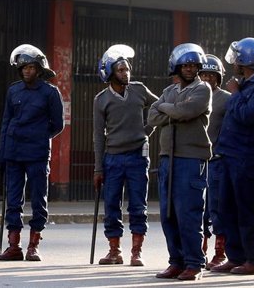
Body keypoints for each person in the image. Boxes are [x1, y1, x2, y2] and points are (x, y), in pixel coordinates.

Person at [211, 37, 254, 275]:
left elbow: (247, 116)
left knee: (248, 209)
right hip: (228, 155)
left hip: (246, 156)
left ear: (245, 60)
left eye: (237, 58)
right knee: (227, 209)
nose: (233, 63)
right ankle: (236, 256)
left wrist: (235, 94)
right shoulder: (244, 84)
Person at [148, 43, 212, 281]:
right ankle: (176, 261)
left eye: (194, 65)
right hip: (168, 159)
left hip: (191, 159)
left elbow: (187, 112)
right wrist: (172, 110)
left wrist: (166, 109)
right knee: (168, 214)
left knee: (189, 213)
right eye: (185, 65)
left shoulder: (202, 89)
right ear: (177, 66)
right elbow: (151, 116)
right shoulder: (170, 91)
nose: (190, 69)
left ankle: (194, 263)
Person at [0, 44, 65, 262]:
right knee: (13, 201)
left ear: (39, 68)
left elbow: (58, 124)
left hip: (37, 153)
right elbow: (6, 123)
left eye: (31, 67)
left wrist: (39, 135)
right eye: (23, 67)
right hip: (13, 153)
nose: (26, 71)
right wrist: (2, 153)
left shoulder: (50, 93)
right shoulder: (13, 90)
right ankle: (13, 245)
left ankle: (33, 245)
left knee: (38, 200)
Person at [93, 44, 158, 267]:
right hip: (111, 159)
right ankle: (114, 250)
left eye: (127, 69)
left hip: (138, 156)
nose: (126, 73)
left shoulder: (139, 89)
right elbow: (98, 136)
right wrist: (98, 169)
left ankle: (136, 252)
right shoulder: (101, 99)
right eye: (121, 70)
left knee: (138, 205)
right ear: (110, 73)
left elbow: (159, 107)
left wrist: (147, 129)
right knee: (112, 205)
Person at [198, 54, 232, 270]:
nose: (208, 78)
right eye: (204, 74)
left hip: (218, 161)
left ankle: (220, 252)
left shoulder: (227, 99)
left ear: (219, 77)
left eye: (212, 75)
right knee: (197, 209)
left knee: (217, 207)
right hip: (196, 159)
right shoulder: (194, 96)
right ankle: (199, 250)